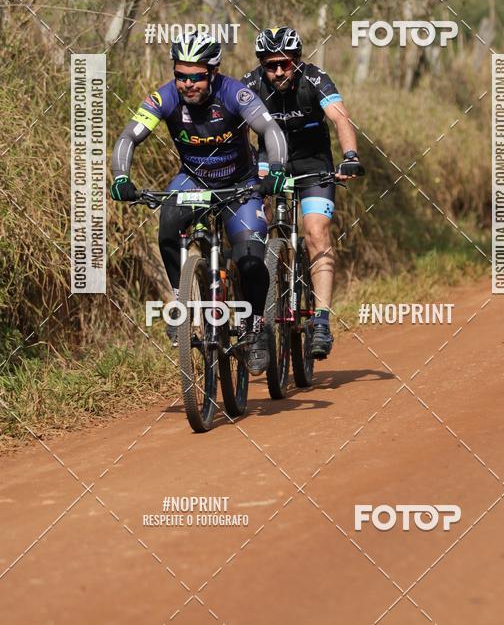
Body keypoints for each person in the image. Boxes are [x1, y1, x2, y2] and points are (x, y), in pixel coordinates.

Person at [109, 32, 287, 375]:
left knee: (249, 259)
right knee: (168, 225)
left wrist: (275, 171)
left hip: (240, 182)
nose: (187, 84)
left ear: (214, 72)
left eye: (196, 77)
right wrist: (120, 177)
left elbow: (270, 130)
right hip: (194, 179)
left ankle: (255, 327)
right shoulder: (164, 97)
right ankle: (182, 299)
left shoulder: (235, 93)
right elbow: (129, 136)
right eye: (181, 76)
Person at [241, 27, 363, 360]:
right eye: (270, 65)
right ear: (262, 65)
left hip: (313, 161)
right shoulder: (250, 85)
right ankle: (256, 319)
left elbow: (340, 118)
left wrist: (350, 157)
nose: (278, 71)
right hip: (269, 160)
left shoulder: (315, 79)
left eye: (285, 63)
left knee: (315, 231)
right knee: (253, 230)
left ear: (297, 60)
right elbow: (231, 126)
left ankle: (321, 321)